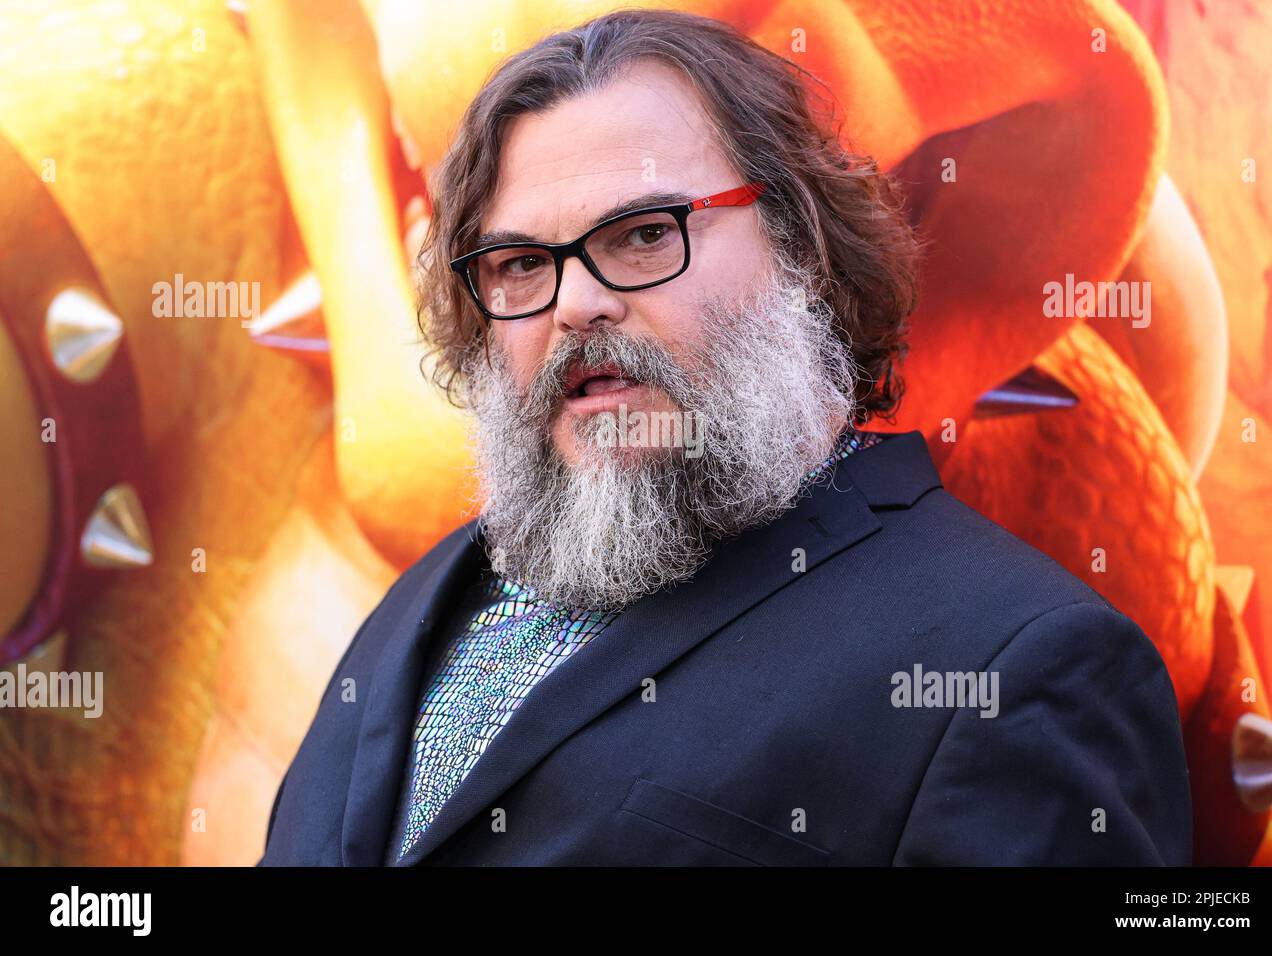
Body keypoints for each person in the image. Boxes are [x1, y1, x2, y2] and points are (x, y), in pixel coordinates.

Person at [259, 7, 1191, 866]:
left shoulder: (1017, 662)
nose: (577, 303)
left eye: (643, 235)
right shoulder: (418, 604)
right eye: (519, 264)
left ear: (805, 251)